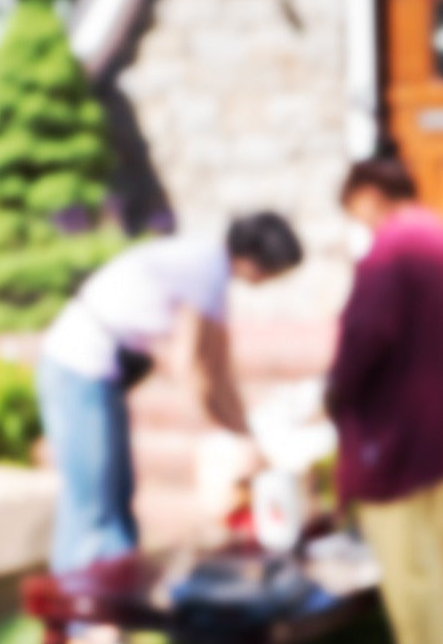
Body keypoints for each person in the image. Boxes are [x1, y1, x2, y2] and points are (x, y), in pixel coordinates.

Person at [40, 213, 304, 573]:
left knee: (118, 492)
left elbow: (218, 367)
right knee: (93, 500)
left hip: (102, 374)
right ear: (257, 260)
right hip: (78, 367)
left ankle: (117, 586)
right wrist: (228, 435)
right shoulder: (205, 269)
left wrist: (246, 435)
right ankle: (78, 596)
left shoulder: (210, 270)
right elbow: (193, 365)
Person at [328, 156, 443, 644]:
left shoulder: (390, 252)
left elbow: (364, 338)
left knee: (410, 559)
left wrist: (335, 394)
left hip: (404, 427)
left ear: (369, 194)